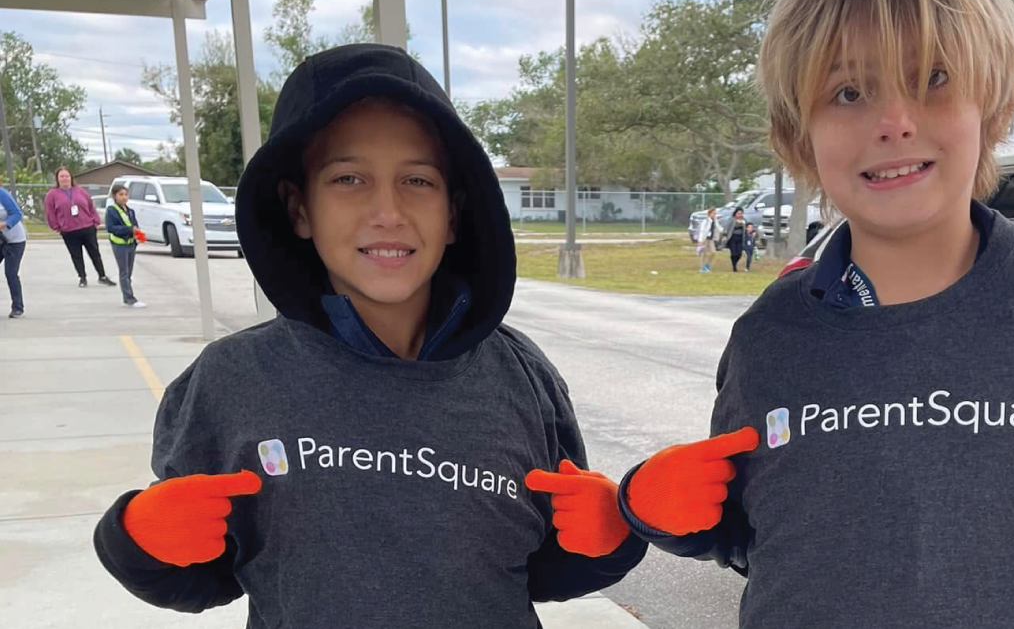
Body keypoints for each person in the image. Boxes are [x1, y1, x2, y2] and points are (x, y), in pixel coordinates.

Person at [615, 0, 1014, 628]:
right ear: (796, 133)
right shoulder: (770, 332)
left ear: (997, 102)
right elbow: (745, 524)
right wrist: (655, 507)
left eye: (933, 79)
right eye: (848, 92)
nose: (893, 120)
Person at [92, 44, 646, 628]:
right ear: (299, 209)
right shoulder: (230, 382)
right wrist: (135, 541)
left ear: (454, 213)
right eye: (349, 178)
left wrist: (610, 540)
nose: (388, 210)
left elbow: (549, 568)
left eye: (417, 180)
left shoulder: (522, 378)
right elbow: (201, 573)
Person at [43, 166, 116, 288]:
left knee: (94, 253)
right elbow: (50, 212)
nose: (65, 179)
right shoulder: (52, 195)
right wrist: (56, 226)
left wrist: (95, 221)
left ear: (71, 177)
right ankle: (82, 277)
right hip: (68, 230)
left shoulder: (80, 191)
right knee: (76, 255)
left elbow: (90, 206)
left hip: (87, 227)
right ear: (57, 179)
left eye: (67, 176)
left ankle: (102, 276)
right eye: (62, 176)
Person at [105, 184, 147, 309]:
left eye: (125, 194)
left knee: (129, 272)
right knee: (124, 272)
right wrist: (129, 229)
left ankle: (127, 296)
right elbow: (111, 228)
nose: (124, 197)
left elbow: (135, 225)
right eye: (121, 195)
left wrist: (138, 233)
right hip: (119, 244)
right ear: (114, 196)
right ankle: (130, 298)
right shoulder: (112, 211)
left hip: (130, 244)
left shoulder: (130, 211)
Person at [0, 185, 26, 318]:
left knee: (10, 272)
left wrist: (3, 225)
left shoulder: (2, 194)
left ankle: (17, 307)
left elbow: (16, 214)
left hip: (15, 240)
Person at [697, 206, 721, 273]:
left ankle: (707, 265)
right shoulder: (706, 221)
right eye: (713, 213)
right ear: (709, 214)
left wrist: (724, 233)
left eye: (715, 213)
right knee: (704, 253)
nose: (714, 215)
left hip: (711, 239)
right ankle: (702, 267)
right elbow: (702, 231)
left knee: (713, 252)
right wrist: (700, 241)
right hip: (705, 239)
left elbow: (719, 228)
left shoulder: (715, 221)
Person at [724, 208, 746, 272]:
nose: (740, 215)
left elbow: (747, 227)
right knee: (734, 253)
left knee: (739, 253)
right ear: (735, 213)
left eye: (741, 213)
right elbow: (726, 227)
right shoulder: (732, 219)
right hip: (733, 238)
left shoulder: (743, 220)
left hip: (740, 238)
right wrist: (725, 235)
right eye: (738, 213)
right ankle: (734, 266)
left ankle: (735, 263)